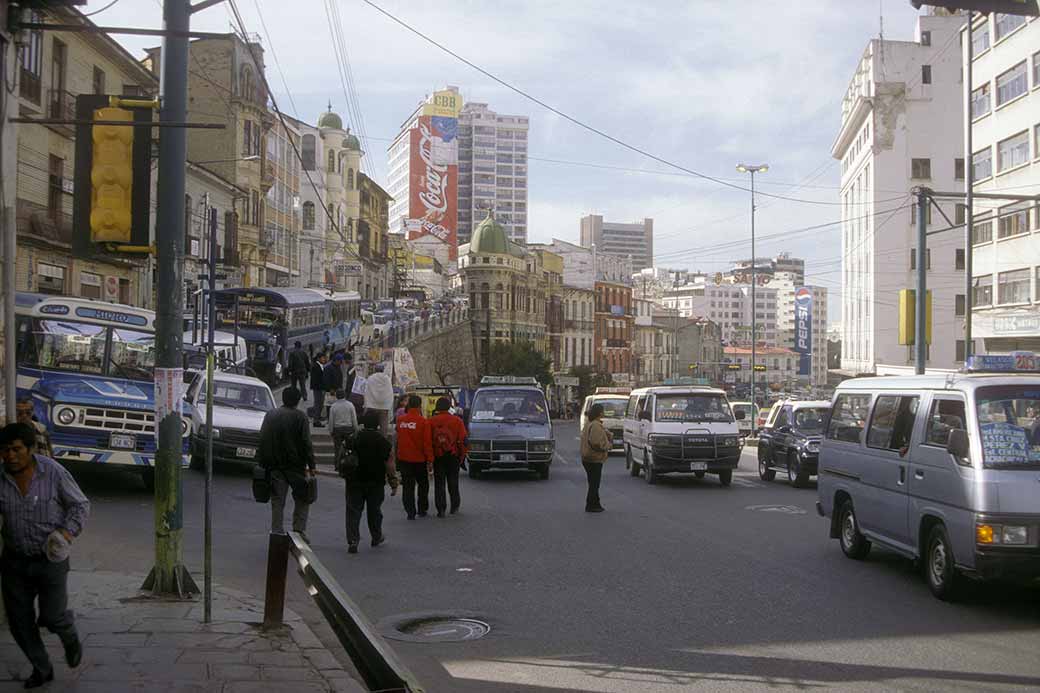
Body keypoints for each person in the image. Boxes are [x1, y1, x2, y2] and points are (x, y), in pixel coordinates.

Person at [0, 422, 89, 689]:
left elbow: (80, 505)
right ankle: (42, 667)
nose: (10, 456)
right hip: (15, 560)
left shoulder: (53, 472)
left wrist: (66, 533)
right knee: (19, 621)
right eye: (4, 451)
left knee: (52, 617)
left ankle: (70, 638)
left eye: (16, 450)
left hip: (50, 559)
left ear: (30, 449)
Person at [258, 387, 316, 540]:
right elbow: (306, 443)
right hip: (296, 467)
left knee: (277, 501)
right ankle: (298, 531)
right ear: (297, 401)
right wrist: (312, 465)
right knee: (303, 498)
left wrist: (262, 461)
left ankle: (277, 531)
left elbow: (263, 438)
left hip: (275, 466)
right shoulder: (301, 417)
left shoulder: (271, 415)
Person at [344, 410, 398, 554]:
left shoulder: (353, 438)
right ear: (377, 424)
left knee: (353, 511)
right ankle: (376, 536)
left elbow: (343, 457)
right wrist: (393, 482)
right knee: (374, 511)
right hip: (376, 481)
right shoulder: (383, 441)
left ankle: (353, 540)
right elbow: (390, 464)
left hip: (354, 480)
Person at [395, 394, 433, 520]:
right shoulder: (423, 422)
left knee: (407, 486)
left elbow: (398, 439)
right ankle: (422, 509)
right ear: (420, 405)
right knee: (423, 485)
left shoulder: (400, 420)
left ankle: (410, 512)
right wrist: (430, 460)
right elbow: (427, 443)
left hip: (404, 458)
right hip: (419, 459)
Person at [429, 397, 467, 517]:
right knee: (453, 481)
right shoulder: (457, 421)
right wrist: (462, 456)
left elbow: (428, 441)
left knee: (439, 483)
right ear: (449, 407)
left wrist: (429, 458)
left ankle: (441, 508)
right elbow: (463, 440)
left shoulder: (431, 421)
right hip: (453, 454)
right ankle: (454, 506)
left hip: (438, 455)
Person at [580, 403, 610, 513]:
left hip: (587, 458)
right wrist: (606, 447)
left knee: (593, 482)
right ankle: (590, 504)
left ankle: (596, 503)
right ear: (599, 413)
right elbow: (595, 442)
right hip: (594, 458)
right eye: (602, 411)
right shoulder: (596, 425)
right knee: (594, 483)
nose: (603, 413)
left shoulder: (589, 423)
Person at [328, 389, 358, 468]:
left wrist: (331, 431)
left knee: (337, 448)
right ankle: (350, 464)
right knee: (350, 447)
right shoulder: (350, 405)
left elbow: (331, 420)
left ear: (336, 396)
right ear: (345, 395)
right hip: (348, 429)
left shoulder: (333, 406)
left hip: (337, 429)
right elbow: (354, 418)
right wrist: (356, 429)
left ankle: (337, 465)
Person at [363, 363, 395, 437]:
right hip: (384, 406)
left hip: (372, 406)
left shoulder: (371, 378)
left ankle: (372, 439)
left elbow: (366, 391)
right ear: (383, 370)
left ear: (375, 369)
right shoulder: (387, 378)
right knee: (383, 426)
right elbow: (389, 392)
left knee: (371, 426)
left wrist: (368, 403)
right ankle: (383, 440)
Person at [310, 352, 328, 427]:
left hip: (319, 388)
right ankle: (316, 421)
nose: (324, 359)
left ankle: (317, 417)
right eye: (323, 358)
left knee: (320, 404)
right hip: (318, 389)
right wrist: (322, 389)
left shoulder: (320, 365)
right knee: (318, 404)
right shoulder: (316, 366)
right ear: (319, 358)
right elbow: (317, 380)